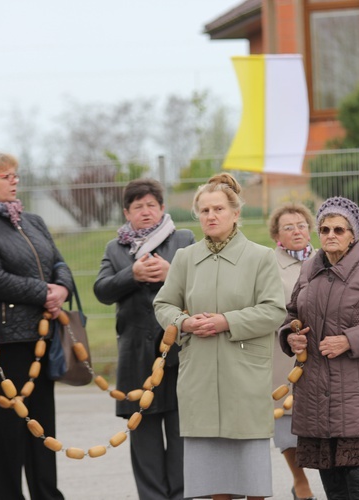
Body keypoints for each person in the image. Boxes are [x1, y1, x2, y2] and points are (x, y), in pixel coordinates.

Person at [153, 173, 286, 500]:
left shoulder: (260, 257)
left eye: (218, 209)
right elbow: (163, 304)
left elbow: (273, 311)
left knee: (251, 478)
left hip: (243, 378)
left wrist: (226, 321)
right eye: (204, 210)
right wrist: (184, 322)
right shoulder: (185, 258)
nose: (211, 216)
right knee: (214, 483)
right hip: (199, 377)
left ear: (236, 213)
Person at [0, 148, 72, 500]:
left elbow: (58, 262)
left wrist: (62, 287)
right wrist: (44, 292)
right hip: (6, 341)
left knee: (43, 425)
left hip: (42, 336)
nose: (14, 180)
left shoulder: (32, 221)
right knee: (10, 426)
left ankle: (46, 494)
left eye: (14, 174)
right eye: (6, 176)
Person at [280, 196, 359, 500]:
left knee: (357, 491)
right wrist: (290, 336)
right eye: (324, 230)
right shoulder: (308, 269)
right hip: (314, 393)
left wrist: (349, 340)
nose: (330, 236)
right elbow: (292, 314)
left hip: (356, 395)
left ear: (353, 235)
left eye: (339, 229)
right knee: (333, 491)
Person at [93, 178, 194, 500]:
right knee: (144, 437)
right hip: (135, 357)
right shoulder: (115, 248)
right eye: (138, 207)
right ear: (127, 213)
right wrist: (131, 275)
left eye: (151, 205)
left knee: (181, 434)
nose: (146, 212)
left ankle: (182, 496)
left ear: (162, 208)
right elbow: (102, 291)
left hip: (178, 355)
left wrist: (173, 273)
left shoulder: (184, 239)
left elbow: (204, 283)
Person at [267, 203, 318, 500]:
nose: (297, 231)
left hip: (323, 352)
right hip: (284, 353)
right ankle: (300, 480)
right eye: (288, 227)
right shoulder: (268, 264)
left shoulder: (326, 257)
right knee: (286, 423)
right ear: (277, 235)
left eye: (301, 225)